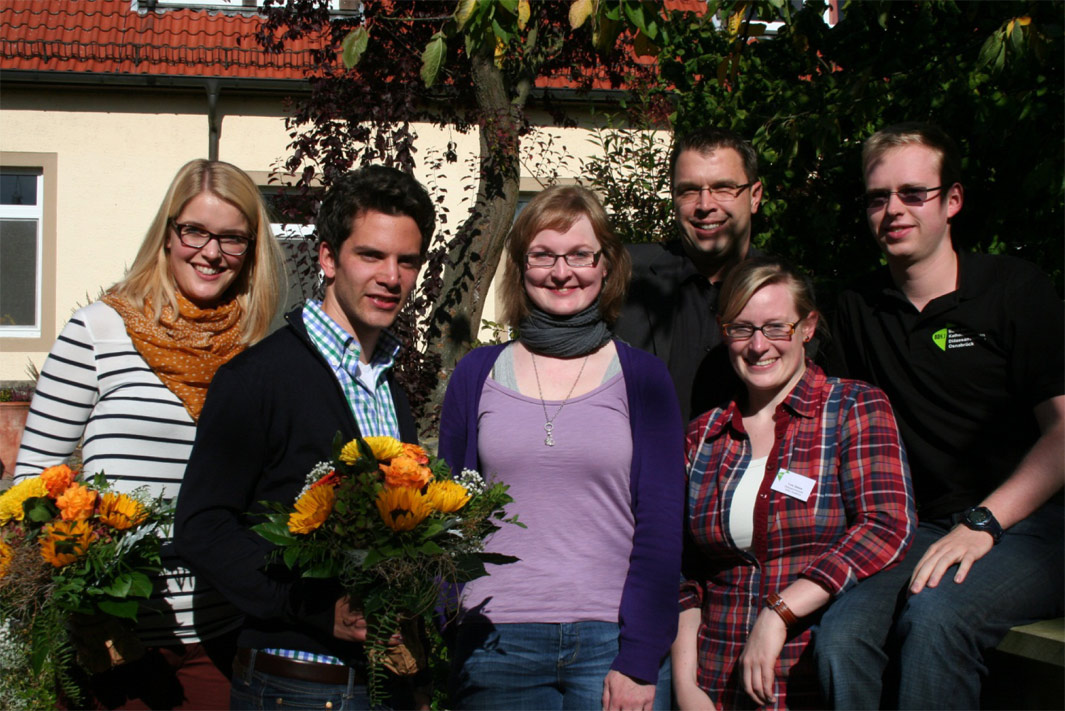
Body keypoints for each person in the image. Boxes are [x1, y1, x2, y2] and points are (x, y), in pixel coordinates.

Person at [14, 159, 285, 709]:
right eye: (196, 231)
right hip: (115, 641)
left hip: (224, 641)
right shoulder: (99, 332)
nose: (212, 252)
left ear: (252, 249)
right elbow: (30, 490)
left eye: (233, 238)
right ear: (167, 234)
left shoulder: (261, 351)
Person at [817, 123, 1065, 709]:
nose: (893, 210)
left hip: (1035, 525)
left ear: (952, 200)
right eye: (878, 198)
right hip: (918, 529)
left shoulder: (1013, 291)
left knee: (936, 621)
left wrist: (984, 523)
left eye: (912, 193)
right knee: (841, 638)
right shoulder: (856, 309)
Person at [174, 165, 433, 710]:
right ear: (327, 257)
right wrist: (313, 608)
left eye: (406, 261)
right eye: (371, 255)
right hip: (294, 683)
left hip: (386, 682)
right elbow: (203, 526)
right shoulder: (258, 378)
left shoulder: (390, 386)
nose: (391, 277)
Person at [438, 185, 685, 711]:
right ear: (521, 266)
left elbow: (662, 526)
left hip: (611, 642)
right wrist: (443, 620)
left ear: (605, 265)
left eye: (579, 254)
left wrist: (640, 658)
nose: (561, 271)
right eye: (543, 255)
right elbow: (445, 516)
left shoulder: (643, 378)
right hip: (494, 639)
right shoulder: (476, 374)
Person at [673, 257, 915, 710]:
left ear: (807, 327)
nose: (758, 345)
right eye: (742, 329)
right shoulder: (703, 436)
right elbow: (683, 570)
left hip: (807, 683)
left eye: (776, 327)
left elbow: (887, 525)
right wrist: (687, 686)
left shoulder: (854, 408)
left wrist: (779, 610)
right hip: (713, 684)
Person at [614, 126, 764, 422]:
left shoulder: (784, 295)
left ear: (755, 196)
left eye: (723, 188)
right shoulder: (621, 276)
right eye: (689, 191)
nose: (705, 205)